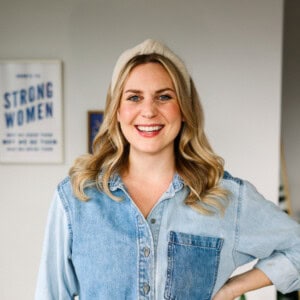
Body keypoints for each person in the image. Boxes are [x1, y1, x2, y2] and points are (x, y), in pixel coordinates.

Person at [35, 39, 300, 300]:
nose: (148, 111)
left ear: (184, 109)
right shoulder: (76, 199)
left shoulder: (224, 197)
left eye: (163, 97)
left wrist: (232, 289)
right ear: (116, 110)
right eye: (134, 97)